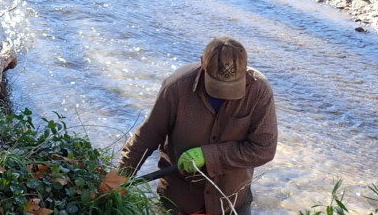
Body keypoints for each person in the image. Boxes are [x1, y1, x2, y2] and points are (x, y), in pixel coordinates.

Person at [111, 37, 277, 215]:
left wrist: (209, 155)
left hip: (231, 203)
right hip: (179, 201)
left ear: (245, 69)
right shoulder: (176, 87)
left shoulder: (259, 91)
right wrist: (122, 174)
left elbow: (264, 149)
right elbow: (148, 135)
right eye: (218, 86)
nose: (224, 95)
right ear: (202, 63)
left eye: (232, 87)